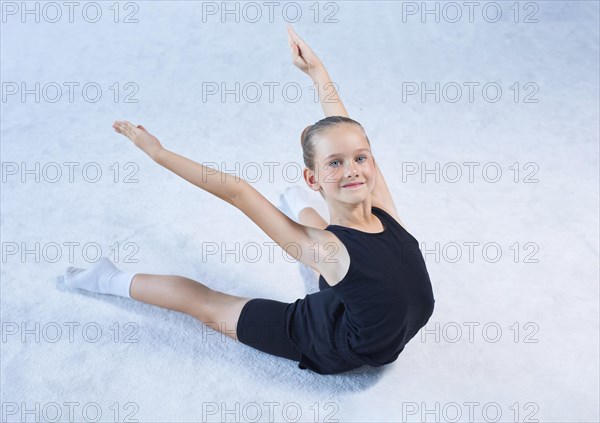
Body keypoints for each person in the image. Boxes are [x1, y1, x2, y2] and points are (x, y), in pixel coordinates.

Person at [64, 25, 435, 375]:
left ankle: (295, 200)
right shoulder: (327, 249)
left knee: (331, 249)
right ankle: (107, 279)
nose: (354, 169)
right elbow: (237, 192)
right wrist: (160, 154)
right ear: (314, 178)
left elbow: (346, 129)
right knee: (210, 305)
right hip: (327, 338)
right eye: (335, 164)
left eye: (359, 158)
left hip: (352, 297)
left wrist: (318, 73)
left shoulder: (382, 207)